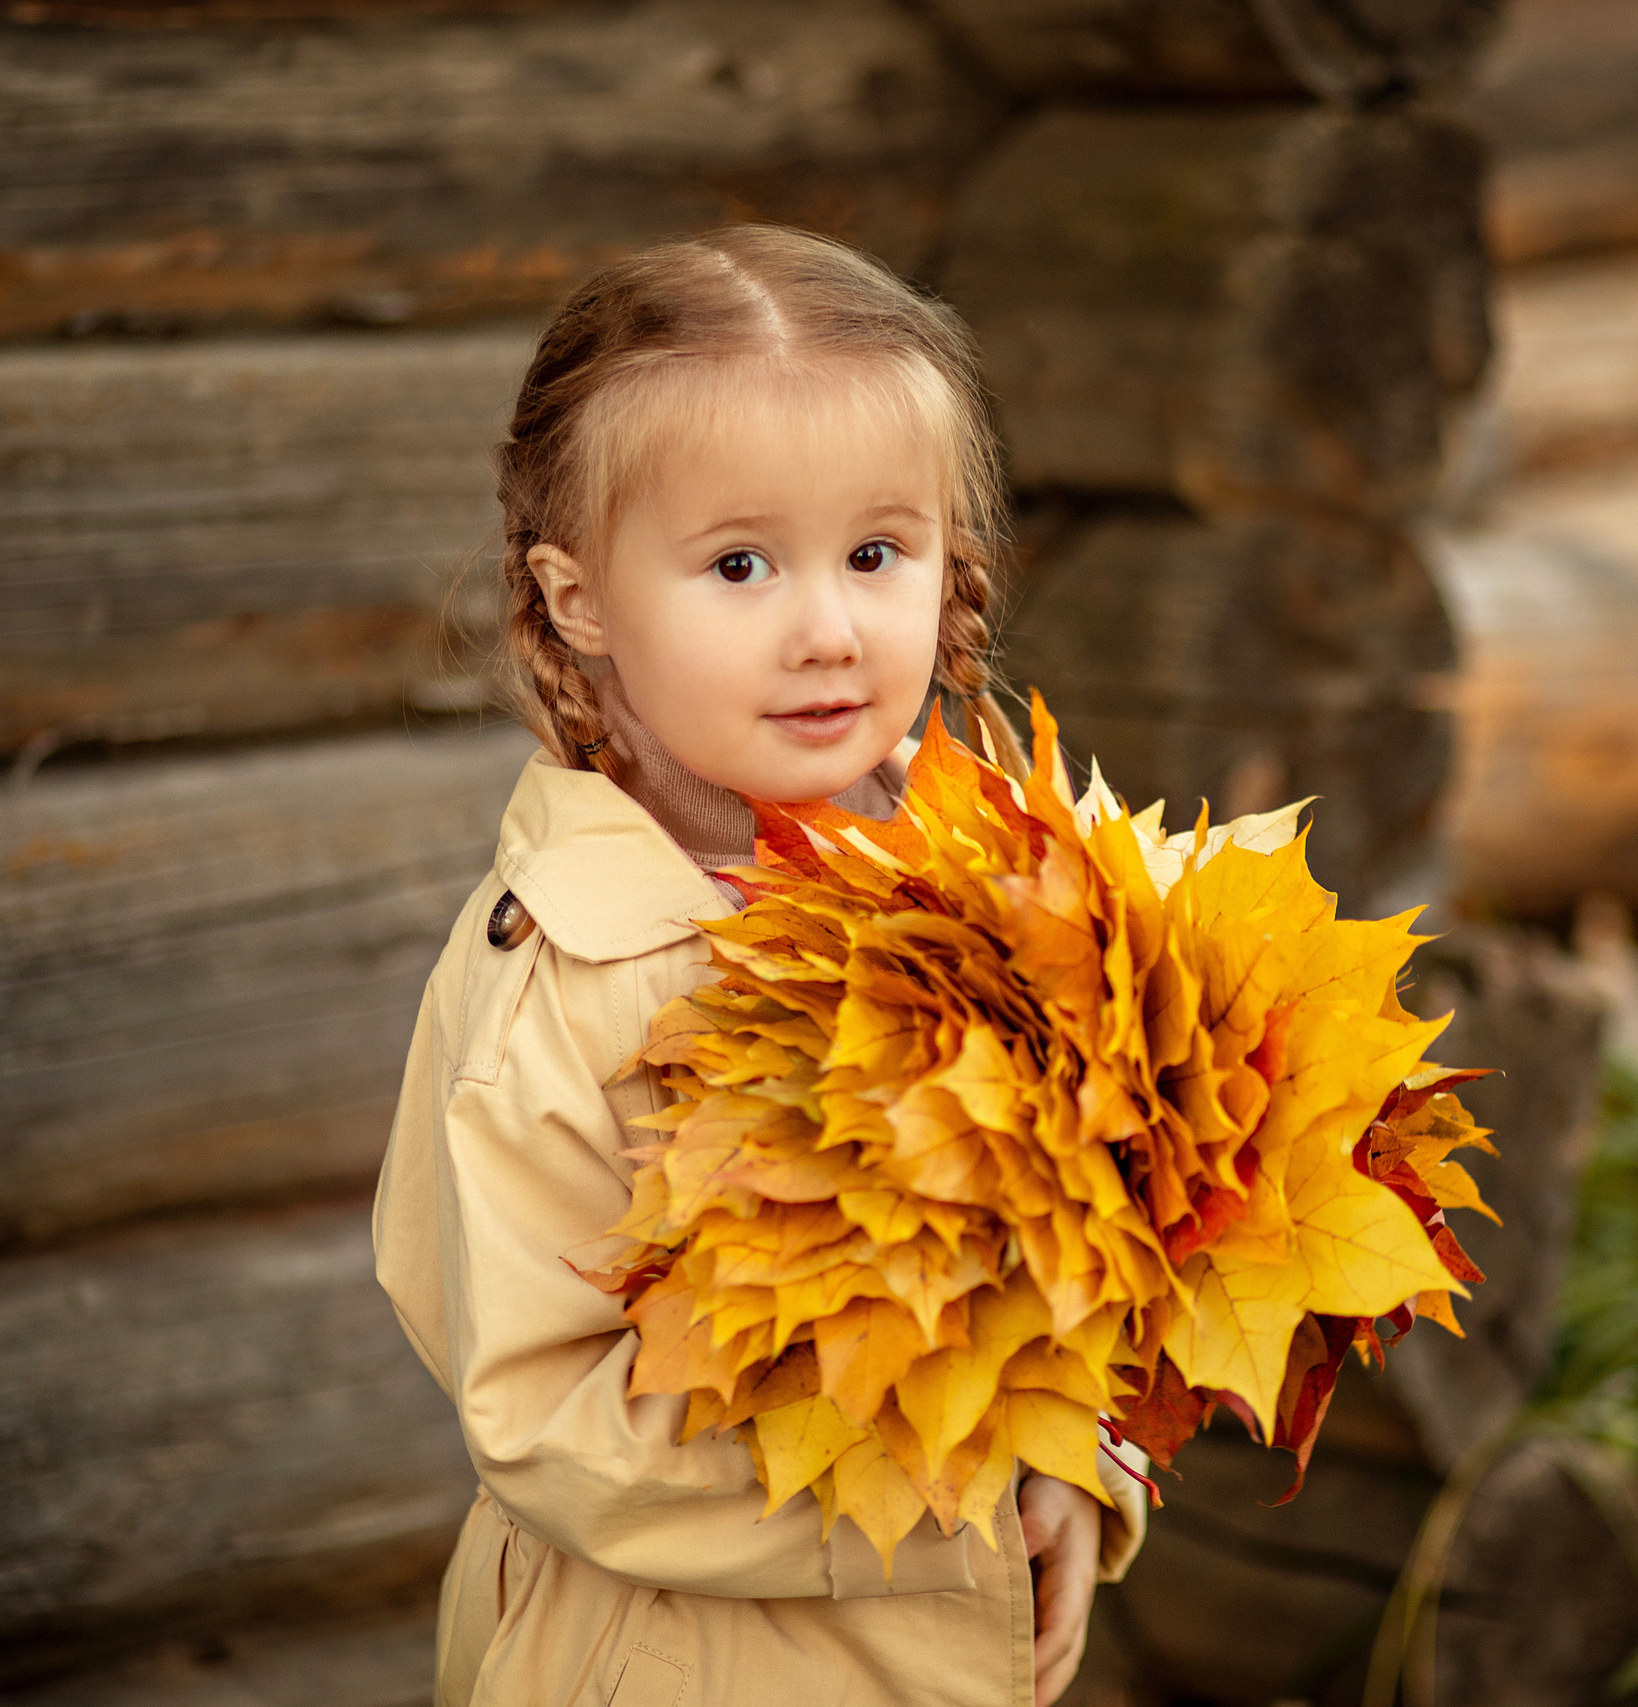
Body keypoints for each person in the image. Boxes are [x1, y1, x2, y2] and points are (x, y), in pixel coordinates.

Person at [372, 225, 1149, 1707]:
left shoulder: (997, 896)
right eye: (740, 563)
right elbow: (548, 1417)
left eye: (876, 554)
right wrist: (962, 1474)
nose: (828, 631)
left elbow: (1075, 1265)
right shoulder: (572, 980)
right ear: (580, 597)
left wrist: (1078, 1456)